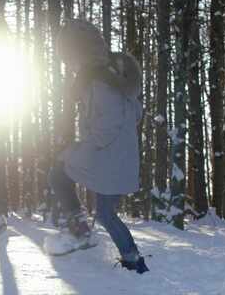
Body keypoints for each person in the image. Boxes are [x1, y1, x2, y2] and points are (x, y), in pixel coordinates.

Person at [47, 19, 149, 274]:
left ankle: (80, 230)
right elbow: (134, 114)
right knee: (105, 213)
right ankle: (134, 261)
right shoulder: (115, 76)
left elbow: (105, 131)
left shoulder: (98, 82)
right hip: (122, 160)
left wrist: (72, 150)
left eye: (69, 59)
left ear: (79, 54)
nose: (69, 67)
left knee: (58, 172)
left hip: (108, 157)